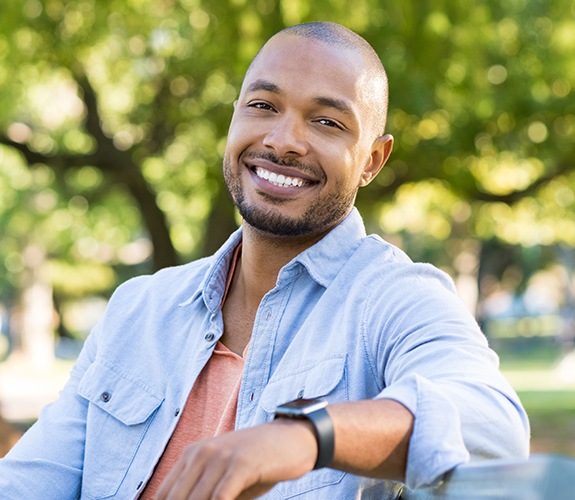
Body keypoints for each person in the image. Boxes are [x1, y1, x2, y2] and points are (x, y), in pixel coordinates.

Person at [0, 21, 529, 499]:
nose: (283, 141)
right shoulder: (138, 308)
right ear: (233, 117)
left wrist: (306, 436)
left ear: (372, 160)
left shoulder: (393, 299)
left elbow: (493, 427)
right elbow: (30, 481)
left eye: (326, 122)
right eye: (263, 106)